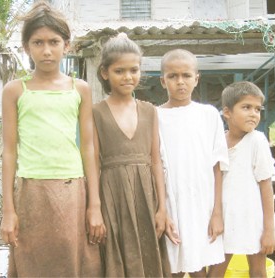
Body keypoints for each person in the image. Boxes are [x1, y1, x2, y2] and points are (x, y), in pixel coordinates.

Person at [0, 1, 104, 276]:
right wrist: (8, 211)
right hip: (31, 190)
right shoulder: (15, 91)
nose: (46, 50)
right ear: (26, 47)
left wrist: (95, 205)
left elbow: (89, 147)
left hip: (72, 189)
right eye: (38, 42)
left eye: (54, 42)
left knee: (74, 261)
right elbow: (9, 152)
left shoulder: (79, 89)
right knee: (32, 260)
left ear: (66, 45)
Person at [92, 33, 171, 277]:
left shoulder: (149, 111)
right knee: (117, 255)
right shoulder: (95, 111)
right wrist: (94, 208)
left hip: (145, 194)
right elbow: (93, 162)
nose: (128, 76)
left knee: (149, 257)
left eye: (134, 70)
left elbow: (156, 161)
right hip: (111, 193)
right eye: (120, 71)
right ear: (105, 73)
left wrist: (161, 208)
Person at [157, 49, 229, 277]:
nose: (180, 82)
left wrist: (217, 212)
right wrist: (162, 211)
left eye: (186, 75)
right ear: (162, 81)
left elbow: (218, 166)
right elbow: (154, 164)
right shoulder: (154, 116)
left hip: (202, 204)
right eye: (173, 76)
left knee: (199, 266)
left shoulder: (208, 115)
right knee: (172, 265)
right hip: (171, 204)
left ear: (196, 78)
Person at [209, 81, 275, 277]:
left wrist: (269, 230)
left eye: (258, 109)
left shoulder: (257, 140)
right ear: (227, 112)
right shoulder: (218, 141)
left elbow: (266, 185)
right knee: (216, 270)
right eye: (246, 107)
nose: (253, 114)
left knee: (258, 271)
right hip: (225, 217)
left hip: (254, 219)